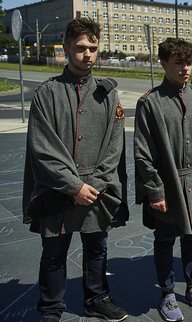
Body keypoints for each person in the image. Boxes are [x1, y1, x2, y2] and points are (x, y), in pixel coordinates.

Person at [22, 17, 129, 322]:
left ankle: (96, 300)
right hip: (58, 191)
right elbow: (43, 149)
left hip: (98, 189)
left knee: (97, 248)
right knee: (54, 254)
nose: (87, 54)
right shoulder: (47, 94)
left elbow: (114, 147)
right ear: (67, 47)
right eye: (80, 47)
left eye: (93, 48)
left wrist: (93, 183)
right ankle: (51, 309)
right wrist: (73, 187)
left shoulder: (108, 93)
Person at [134, 38, 192, 322]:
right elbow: (143, 153)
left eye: (189, 63)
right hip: (168, 183)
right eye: (179, 64)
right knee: (165, 239)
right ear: (163, 63)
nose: (186, 69)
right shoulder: (151, 103)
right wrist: (155, 191)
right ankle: (168, 293)